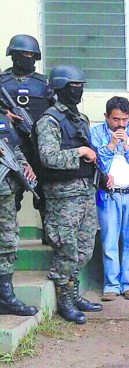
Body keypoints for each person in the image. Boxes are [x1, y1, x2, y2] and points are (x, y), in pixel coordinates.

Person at [35, 65, 101, 324]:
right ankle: (64, 300)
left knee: (85, 247)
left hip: (85, 191)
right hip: (62, 196)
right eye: (73, 86)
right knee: (67, 248)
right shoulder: (49, 120)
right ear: (61, 88)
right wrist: (80, 153)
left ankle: (73, 294)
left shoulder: (79, 119)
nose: (79, 90)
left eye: (81, 86)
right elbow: (48, 157)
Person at [89, 97, 129, 302]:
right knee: (109, 241)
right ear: (106, 117)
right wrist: (112, 144)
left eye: (124, 119)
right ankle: (111, 285)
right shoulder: (95, 133)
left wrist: (128, 146)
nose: (120, 124)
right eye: (116, 119)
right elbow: (96, 163)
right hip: (109, 195)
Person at [0, 34, 54, 236]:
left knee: (44, 194)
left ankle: (49, 237)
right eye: (24, 54)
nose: (28, 58)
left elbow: (57, 110)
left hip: (39, 146)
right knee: (10, 195)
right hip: (10, 147)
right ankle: (8, 238)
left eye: (32, 54)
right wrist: (5, 114)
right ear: (13, 55)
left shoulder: (44, 83)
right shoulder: (2, 82)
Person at [0, 112, 38, 316]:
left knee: (8, 240)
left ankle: (5, 295)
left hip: (6, 192)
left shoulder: (3, 119)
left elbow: (14, 148)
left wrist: (25, 166)